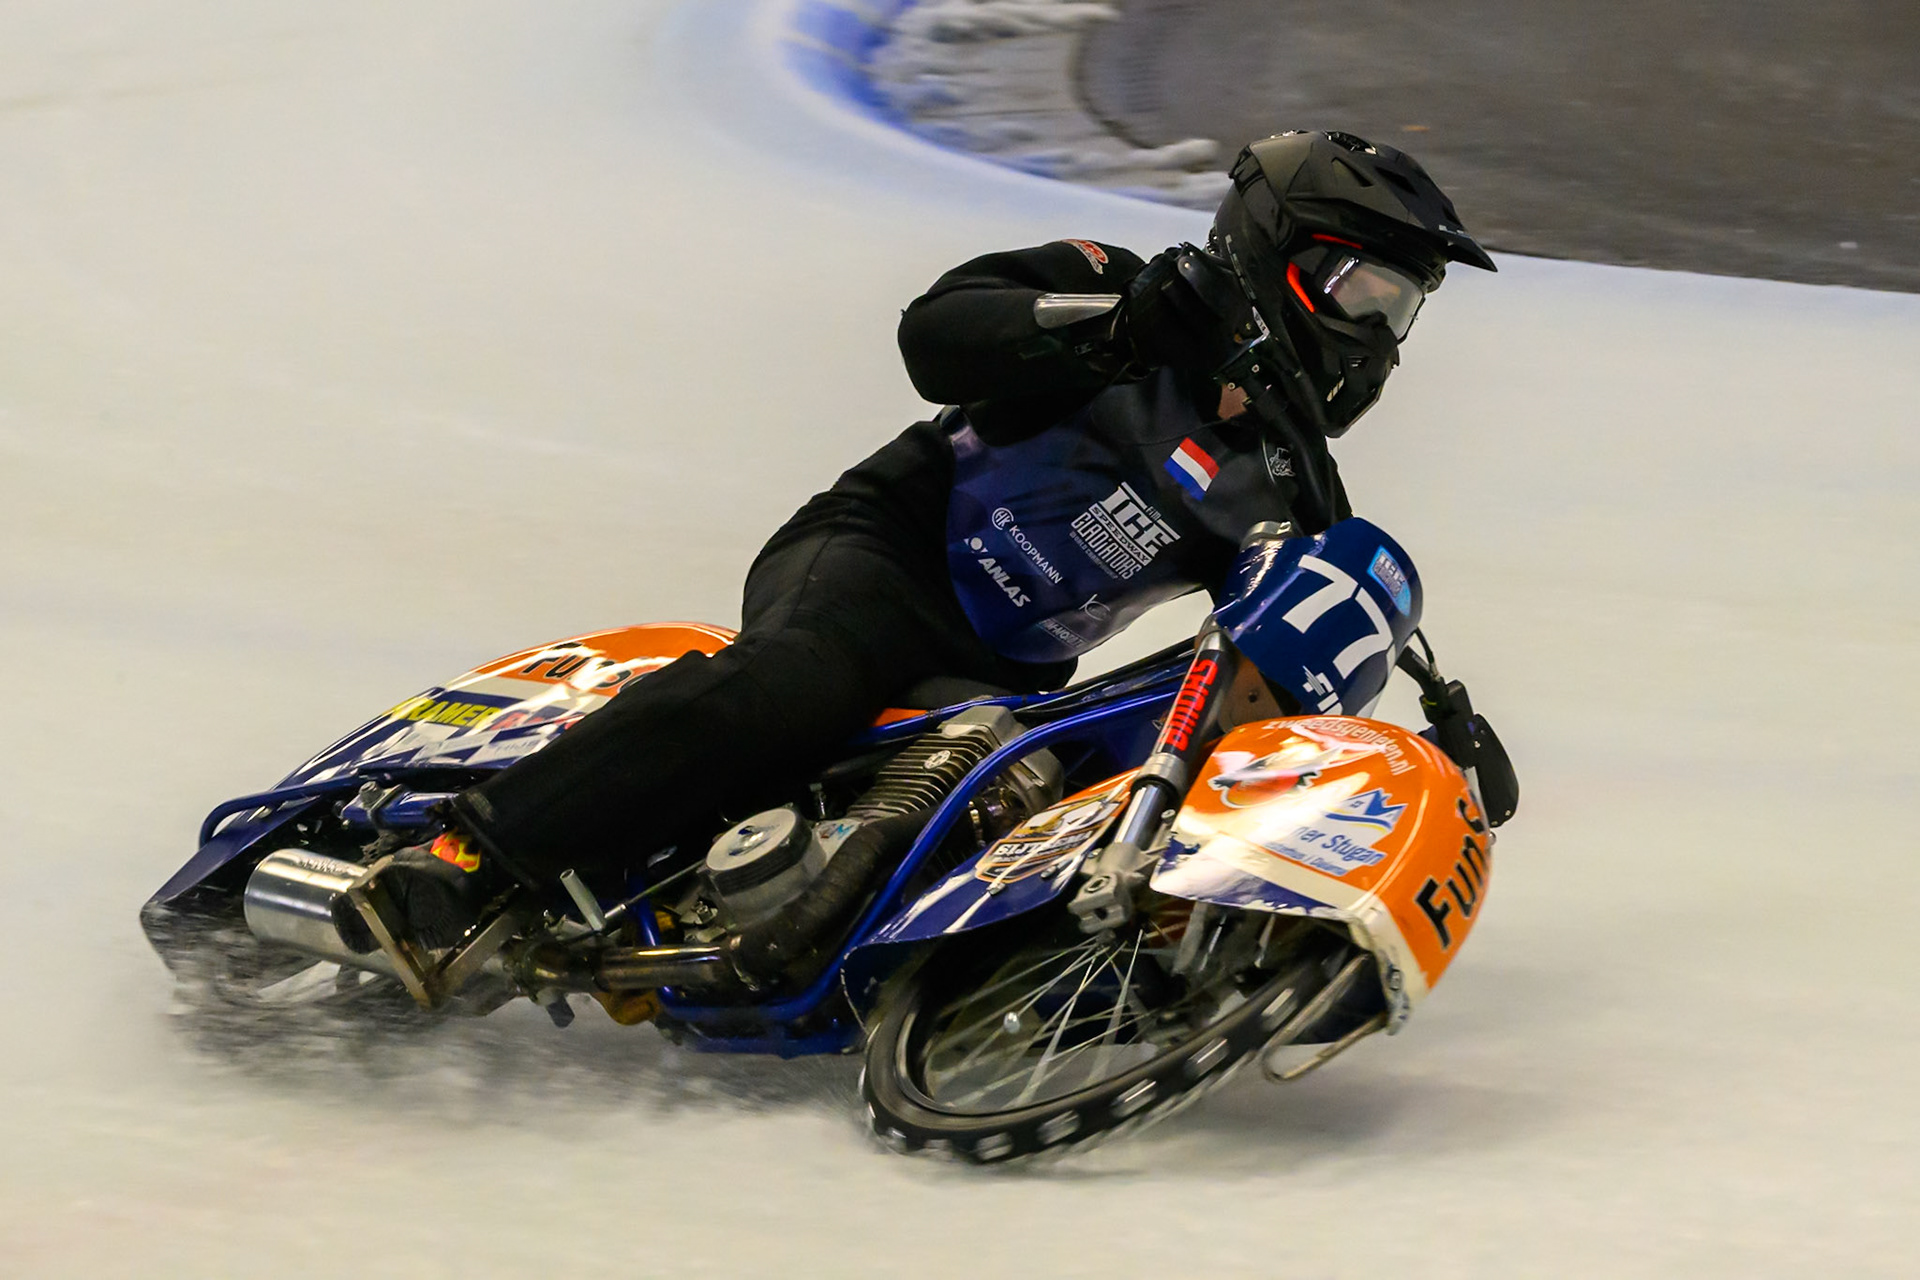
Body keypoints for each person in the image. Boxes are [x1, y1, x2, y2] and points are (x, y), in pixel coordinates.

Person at [376, 130, 1497, 948]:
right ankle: (474, 851)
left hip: (1006, 673)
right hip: (887, 551)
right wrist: (1110, 331)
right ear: (1273, 252)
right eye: (1358, 292)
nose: (1373, 337)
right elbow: (936, 334)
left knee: (1021, 809)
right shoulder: (1125, 287)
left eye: (1399, 310)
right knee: (796, 685)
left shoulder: (1288, 480)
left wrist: (1446, 724)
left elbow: (1284, 635)